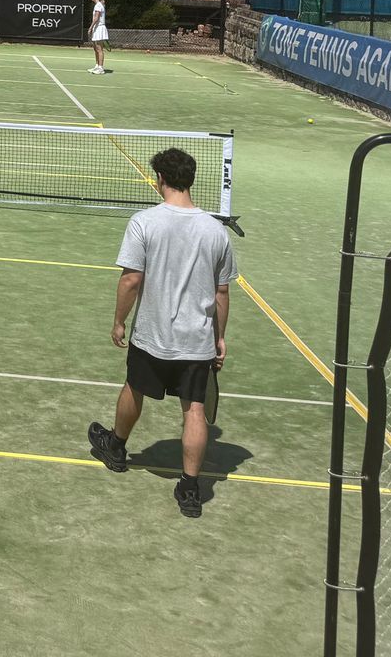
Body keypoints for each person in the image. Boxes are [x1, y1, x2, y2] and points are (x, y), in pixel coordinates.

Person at [88, 147, 237, 519]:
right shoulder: (216, 231)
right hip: (197, 341)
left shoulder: (144, 222)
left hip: (152, 336)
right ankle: (189, 488)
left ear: (160, 180)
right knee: (195, 410)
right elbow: (222, 292)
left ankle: (117, 448)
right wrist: (219, 337)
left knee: (134, 388)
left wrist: (119, 320)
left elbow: (132, 279)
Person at [88, 0, 112, 75]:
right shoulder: (98, 5)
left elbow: (96, 18)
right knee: (95, 48)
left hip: (99, 28)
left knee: (99, 49)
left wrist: (90, 27)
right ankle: (97, 65)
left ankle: (101, 68)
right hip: (96, 28)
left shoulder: (98, 5)